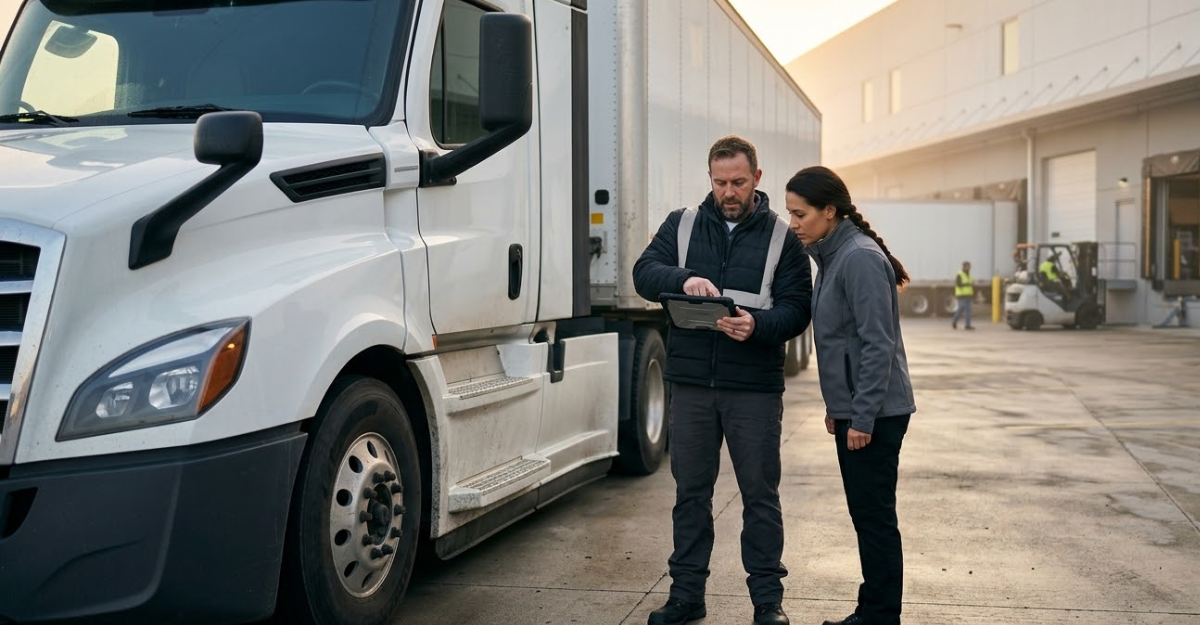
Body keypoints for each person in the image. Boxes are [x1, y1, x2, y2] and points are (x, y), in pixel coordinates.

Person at [632, 135, 812, 625]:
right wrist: (683, 278)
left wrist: (757, 326)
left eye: (737, 182)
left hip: (752, 388)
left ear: (757, 177)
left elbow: (798, 310)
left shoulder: (783, 238)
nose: (728, 192)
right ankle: (687, 597)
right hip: (690, 385)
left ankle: (767, 604)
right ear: (709, 178)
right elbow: (644, 273)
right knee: (690, 493)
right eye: (719, 182)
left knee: (759, 494)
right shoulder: (682, 224)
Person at [783, 166, 916, 625]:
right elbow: (843, 342)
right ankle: (873, 609)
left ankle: (880, 616)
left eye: (800, 214)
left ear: (830, 211)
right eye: (790, 214)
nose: (794, 223)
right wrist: (837, 408)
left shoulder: (856, 258)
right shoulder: (833, 256)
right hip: (859, 410)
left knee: (875, 517)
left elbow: (878, 344)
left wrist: (861, 417)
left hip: (877, 414)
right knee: (867, 515)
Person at [951, 261, 974, 330]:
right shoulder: (959, 274)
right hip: (961, 295)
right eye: (967, 266)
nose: (969, 268)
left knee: (968, 311)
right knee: (960, 309)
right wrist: (967, 284)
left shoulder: (970, 275)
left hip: (969, 295)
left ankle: (967, 325)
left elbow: (972, 285)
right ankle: (954, 321)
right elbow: (958, 284)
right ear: (964, 267)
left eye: (969, 266)